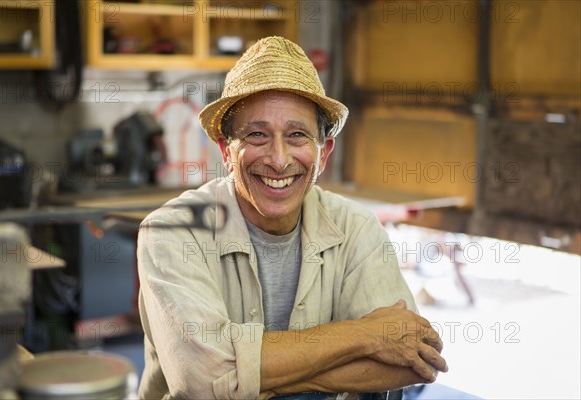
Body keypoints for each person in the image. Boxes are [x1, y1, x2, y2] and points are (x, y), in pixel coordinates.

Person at [137, 36, 447, 400]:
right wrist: (366, 335)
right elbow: (203, 384)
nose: (279, 159)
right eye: (257, 135)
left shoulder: (355, 228)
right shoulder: (173, 231)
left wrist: (251, 378)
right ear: (226, 150)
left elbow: (409, 362)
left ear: (323, 152)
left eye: (297, 135)